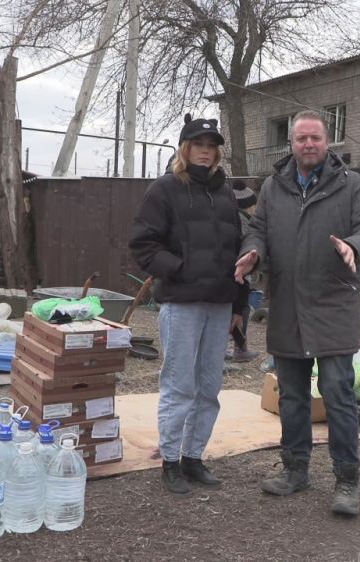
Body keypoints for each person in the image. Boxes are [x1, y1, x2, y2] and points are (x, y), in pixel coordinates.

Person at [235, 109, 360, 516]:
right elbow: (258, 230)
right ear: (292, 144)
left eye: (315, 138)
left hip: (333, 303)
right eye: (301, 139)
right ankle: (295, 470)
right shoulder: (273, 187)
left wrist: (355, 245)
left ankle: (347, 481)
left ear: (327, 142)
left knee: (337, 394)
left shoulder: (351, 184)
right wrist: (252, 251)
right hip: (285, 305)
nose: (309, 145)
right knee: (293, 397)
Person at [129, 113, 248, 496]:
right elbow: (143, 245)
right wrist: (180, 270)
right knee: (179, 385)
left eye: (212, 147)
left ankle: (193, 457)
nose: (206, 152)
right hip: (181, 302)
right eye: (199, 145)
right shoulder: (164, 189)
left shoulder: (226, 193)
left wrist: (239, 307)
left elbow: (239, 252)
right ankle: (169, 461)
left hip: (219, 304)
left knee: (209, 386)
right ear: (186, 148)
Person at [227, 180, 260, 363]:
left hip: (232, 272)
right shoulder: (243, 222)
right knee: (240, 310)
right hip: (239, 271)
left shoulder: (231, 217)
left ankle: (232, 347)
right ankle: (239, 348)